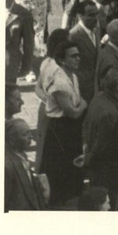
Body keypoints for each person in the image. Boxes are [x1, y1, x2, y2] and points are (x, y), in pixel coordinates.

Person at [38, 39, 88, 207]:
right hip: (60, 129)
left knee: (73, 166)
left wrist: (80, 105)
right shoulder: (59, 81)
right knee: (60, 170)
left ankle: (71, 199)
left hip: (70, 129)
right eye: (73, 56)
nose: (78, 59)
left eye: (78, 55)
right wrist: (83, 105)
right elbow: (73, 111)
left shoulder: (72, 76)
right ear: (62, 60)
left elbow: (77, 104)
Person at [81, 67, 118, 200]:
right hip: (107, 170)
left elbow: (86, 127)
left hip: (98, 166)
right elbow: (102, 146)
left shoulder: (98, 98)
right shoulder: (110, 113)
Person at [5, 118, 48, 211]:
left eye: (29, 132)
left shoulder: (21, 155)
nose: (31, 137)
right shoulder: (7, 167)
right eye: (25, 134)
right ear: (12, 140)